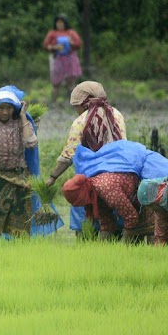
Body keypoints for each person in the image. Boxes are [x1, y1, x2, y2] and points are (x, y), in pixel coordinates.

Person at [0, 86, 61, 238]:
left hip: (18, 179)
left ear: (15, 108)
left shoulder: (20, 123)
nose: (5, 112)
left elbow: (31, 143)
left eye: (9, 108)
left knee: (19, 229)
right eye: (1, 108)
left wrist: (24, 116)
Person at [45, 81, 127, 234]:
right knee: (113, 225)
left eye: (75, 106)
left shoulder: (81, 120)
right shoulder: (116, 114)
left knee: (87, 226)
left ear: (84, 104)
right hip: (120, 176)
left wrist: (52, 177)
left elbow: (69, 155)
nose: (75, 110)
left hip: (91, 179)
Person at [63, 173, 156, 243]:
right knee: (133, 248)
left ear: (82, 194)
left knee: (151, 233)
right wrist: (102, 246)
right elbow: (106, 222)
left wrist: (123, 244)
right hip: (131, 205)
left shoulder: (107, 190)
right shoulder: (94, 194)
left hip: (144, 200)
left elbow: (131, 216)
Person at [43, 14, 83, 104]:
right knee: (56, 82)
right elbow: (46, 45)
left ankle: (73, 103)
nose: (60, 24)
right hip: (57, 59)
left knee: (70, 82)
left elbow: (78, 44)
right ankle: (53, 102)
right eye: (58, 22)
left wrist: (71, 43)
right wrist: (54, 47)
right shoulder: (52, 33)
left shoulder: (71, 33)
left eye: (62, 22)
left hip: (70, 59)